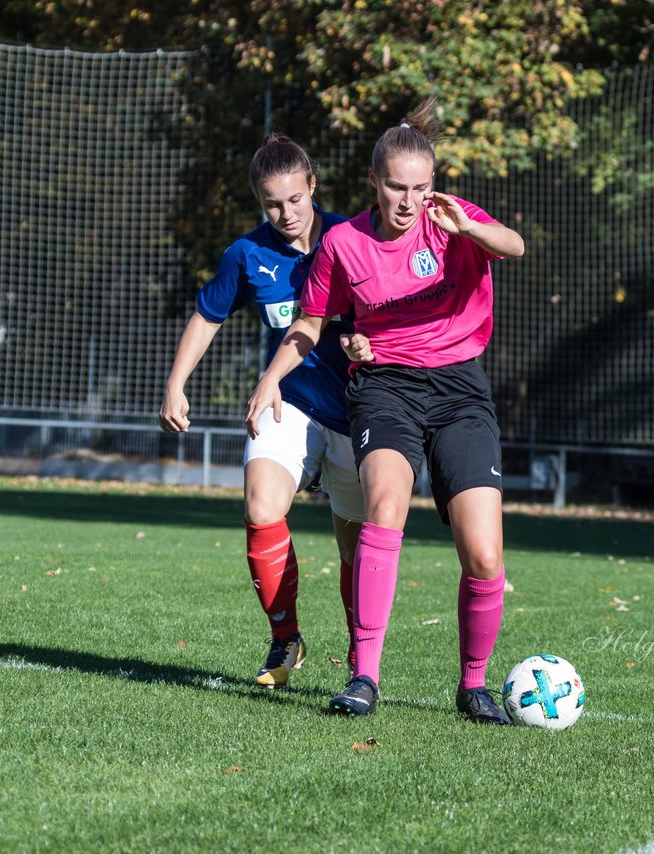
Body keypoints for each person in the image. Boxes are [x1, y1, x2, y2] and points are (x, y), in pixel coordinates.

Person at [245, 98, 525, 723]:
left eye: (421, 188)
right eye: (397, 187)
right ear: (374, 182)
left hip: (459, 389)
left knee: (483, 553)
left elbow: (515, 245)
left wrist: (468, 229)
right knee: (386, 506)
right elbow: (309, 324)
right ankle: (363, 675)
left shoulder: (451, 221)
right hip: (385, 388)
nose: (409, 201)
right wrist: (270, 380)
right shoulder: (344, 243)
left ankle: (473, 686)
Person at [159, 134, 364, 688]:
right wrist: (176, 384)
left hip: (356, 412)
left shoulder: (352, 238)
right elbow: (207, 316)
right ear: (259, 202)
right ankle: (285, 637)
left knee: (356, 548)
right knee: (261, 507)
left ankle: (360, 663)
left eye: (295, 200)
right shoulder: (247, 254)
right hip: (287, 401)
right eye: (272, 204)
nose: (286, 213)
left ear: (313, 187)